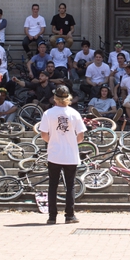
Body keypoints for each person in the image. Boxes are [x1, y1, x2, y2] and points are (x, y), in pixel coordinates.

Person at [39, 86, 86, 224]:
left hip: (54, 153)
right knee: (70, 185)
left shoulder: (48, 113)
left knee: (52, 185)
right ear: (68, 98)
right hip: (70, 154)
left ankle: (52, 216)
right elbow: (81, 135)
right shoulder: (74, 113)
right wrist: (71, 142)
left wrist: (54, 141)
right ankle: (69, 215)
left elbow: (43, 134)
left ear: (55, 98)